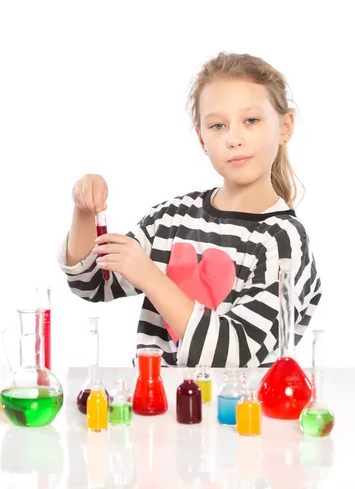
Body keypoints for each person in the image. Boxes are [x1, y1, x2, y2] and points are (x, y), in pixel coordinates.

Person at [57, 52, 322, 368]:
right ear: (202, 138)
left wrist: (151, 278)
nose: (234, 139)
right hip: (157, 412)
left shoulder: (283, 239)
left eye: (251, 120)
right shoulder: (171, 219)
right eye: (217, 125)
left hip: (240, 416)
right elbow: (92, 284)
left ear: (285, 126)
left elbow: (237, 356)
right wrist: (84, 211)